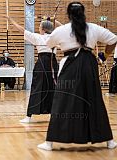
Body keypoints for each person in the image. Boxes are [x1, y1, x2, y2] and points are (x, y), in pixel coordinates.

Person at [38, 2, 117, 151]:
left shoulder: (62, 30)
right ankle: (109, 141)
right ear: (83, 13)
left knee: (62, 101)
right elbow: (113, 39)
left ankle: (50, 143)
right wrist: (104, 56)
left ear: (68, 14)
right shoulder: (93, 27)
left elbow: (49, 44)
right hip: (89, 65)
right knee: (94, 99)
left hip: (70, 65)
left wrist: (55, 32)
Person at [8, 17, 60, 123]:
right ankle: (53, 115)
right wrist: (55, 21)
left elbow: (22, 30)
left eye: (40, 26)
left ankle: (29, 116)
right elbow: (65, 29)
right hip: (52, 64)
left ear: (44, 29)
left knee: (37, 88)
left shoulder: (38, 37)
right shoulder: (55, 37)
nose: (39, 28)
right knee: (52, 88)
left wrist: (12, 21)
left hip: (42, 63)